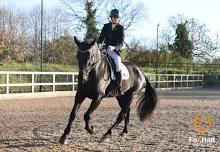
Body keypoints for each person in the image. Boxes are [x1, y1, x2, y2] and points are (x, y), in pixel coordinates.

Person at [97, 9, 124, 95]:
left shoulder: (120, 28)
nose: (116, 19)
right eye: (114, 17)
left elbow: (121, 42)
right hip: (104, 49)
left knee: (118, 64)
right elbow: (101, 37)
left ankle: (119, 87)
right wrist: (99, 44)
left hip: (115, 51)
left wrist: (114, 48)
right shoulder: (106, 26)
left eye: (117, 18)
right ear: (111, 18)